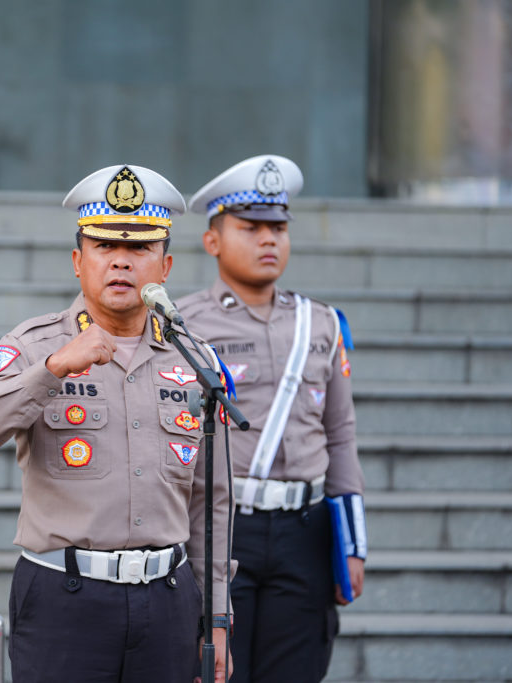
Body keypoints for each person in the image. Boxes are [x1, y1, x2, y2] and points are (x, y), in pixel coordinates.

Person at [0, 164, 233, 682]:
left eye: (139, 248)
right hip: (65, 601)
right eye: (104, 246)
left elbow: (210, 502)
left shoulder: (194, 359)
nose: (121, 260)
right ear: (78, 261)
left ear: (165, 265)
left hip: (168, 600)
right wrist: (53, 369)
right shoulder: (34, 345)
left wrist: (217, 618)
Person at [176, 155, 368, 683]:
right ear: (212, 240)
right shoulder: (183, 325)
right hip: (221, 527)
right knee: (217, 670)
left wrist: (353, 545)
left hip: (304, 530)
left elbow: (340, 433)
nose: (268, 239)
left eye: (278, 228)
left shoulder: (321, 323)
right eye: (250, 227)